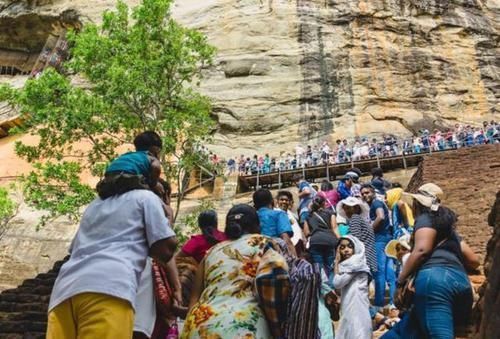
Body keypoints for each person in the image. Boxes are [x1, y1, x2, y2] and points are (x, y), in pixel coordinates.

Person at [47, 189, 178, 338]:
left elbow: (74, 249)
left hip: (65, 290)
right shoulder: (146, 198)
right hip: (109, 289)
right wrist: (167, 220)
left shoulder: (96, 204)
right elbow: (166, 250)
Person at [383, 183, 479, 339]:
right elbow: (473, 260)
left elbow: (422, 250)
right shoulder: (450, 231)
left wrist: (400, 281)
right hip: (461, 282)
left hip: (434, 282)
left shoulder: (426, 219)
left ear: (417, 204)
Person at [181, 204, 276, 338]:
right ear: (257, 226)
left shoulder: (211, 252)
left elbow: (194, 299)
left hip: (199, 323)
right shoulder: (265, 243)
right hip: (244, 325)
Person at [96, 131, 163, 199]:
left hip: (109, 178)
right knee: (149, 189)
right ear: (157, 150)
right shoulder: (150, 157)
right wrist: (154, 184)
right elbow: (156, 167)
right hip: (128, 177)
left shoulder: (127, 155)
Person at [361, 184, 396, 308]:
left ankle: (379, 303)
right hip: (386, 238)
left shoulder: (376, 204)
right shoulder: (378, 203)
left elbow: (380, 217)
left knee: (379, 272)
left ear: (373, 193)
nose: (365, 195)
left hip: (379, 240)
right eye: (363, 194)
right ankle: (393, 302)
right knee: (389, 273)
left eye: (367, 193)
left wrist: (370, 231)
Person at [333, 235, 372, 339]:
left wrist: (336, 262)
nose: (346, 250)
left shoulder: (356, 265)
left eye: (350, 247)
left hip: (356, 307)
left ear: (356, 247)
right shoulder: (348, 266)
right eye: (342, 247)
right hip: (350, 305)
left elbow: (337, 283)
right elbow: (338, 290)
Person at [337, 197, 377, 274]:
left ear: (356, 208)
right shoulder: (361, 220)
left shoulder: (355, 219)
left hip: (363, 260)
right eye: (345, 208)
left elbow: (355, 241)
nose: (346, 211)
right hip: (369, 258)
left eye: (349, 208)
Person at [304, 196, 340, 280]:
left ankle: (322, 290)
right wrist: (340, 240)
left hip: (315, 242)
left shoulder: (308, 216)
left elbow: (306, 233)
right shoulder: (330, 213)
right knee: (331, 267)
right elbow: (334, 227)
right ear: (324, 203)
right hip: (330, 241)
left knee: (318, 269)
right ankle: (333, 289)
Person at [253, 189, 297, 256]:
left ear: (255, 205)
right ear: (272, 201)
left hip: (256, 255)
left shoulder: (252, 217)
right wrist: (295, 259)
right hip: (276, 255)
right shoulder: (279, 214)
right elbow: (286, 239)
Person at [275, 190, 306, 255]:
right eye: (282, 200)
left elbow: (297, 227)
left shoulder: (290, 213)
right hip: (287, 247)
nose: (284, 202)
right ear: (277, 201)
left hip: (298, 244)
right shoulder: (276, 213)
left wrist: (303, 238)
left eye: (286, 200)